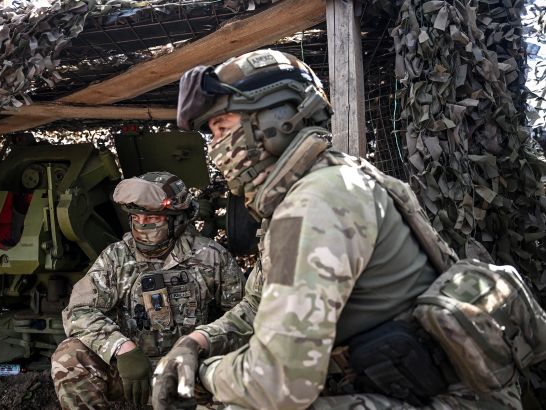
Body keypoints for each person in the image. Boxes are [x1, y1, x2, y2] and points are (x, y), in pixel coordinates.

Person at [151, 49, 522, 409]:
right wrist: (197, 342)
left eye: (222, 127)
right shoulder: (329, 181)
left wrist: (205, 375)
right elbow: (258, 304)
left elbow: (276, 385)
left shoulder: (319, 201)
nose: (216, 147)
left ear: (278, 118)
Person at [51, 171, 244, 409]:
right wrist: (120, 347)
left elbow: (241, 318)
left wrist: (202, 350)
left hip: (192, 369)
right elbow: (78, 311)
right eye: (136, 218)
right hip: (134, 370)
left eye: (151, 218)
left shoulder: (211, 257)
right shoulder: (117, 257)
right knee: (70, 356)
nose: (142, 225)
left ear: (177, 220)